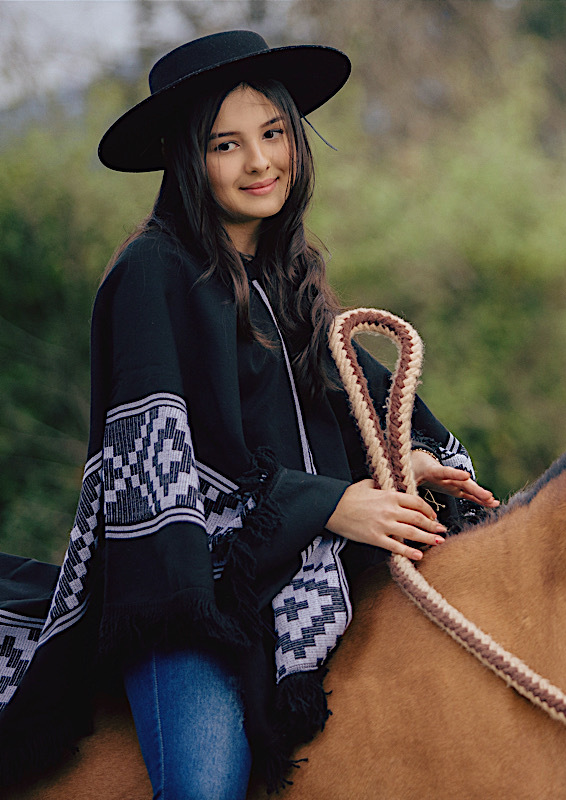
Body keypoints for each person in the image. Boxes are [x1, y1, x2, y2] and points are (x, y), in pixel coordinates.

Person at [0, 29, 498, 798]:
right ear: (184, 157)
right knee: (206, 787)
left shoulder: (285, 271)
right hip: (185, 591)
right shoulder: (150, 275)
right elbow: (157, 487)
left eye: (272, 135)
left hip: (293, 570)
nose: (260, 162)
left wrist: (410, 459)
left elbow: (342, 399)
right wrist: (331, 503)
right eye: (226, 145)